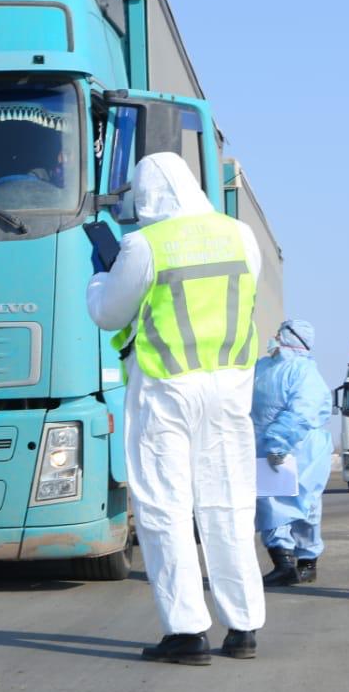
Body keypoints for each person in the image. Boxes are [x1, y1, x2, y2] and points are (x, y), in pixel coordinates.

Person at [87, 151, 266, 665]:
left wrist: (101, 274)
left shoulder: (145, 244)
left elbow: (108, 313)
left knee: (166, 509)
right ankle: (244, 626)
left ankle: (187, 633)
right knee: (229, 505)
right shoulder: (240, 235)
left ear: (146, 196)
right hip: (230, 387)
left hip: (166, 388)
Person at [252, 319, 334, 587]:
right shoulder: (262, 367)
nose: (274, 336)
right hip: (270, 447)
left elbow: (304, 410)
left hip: (299, 448)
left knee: (304, 505)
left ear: (291, 336)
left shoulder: (304, 372)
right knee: (271, 504)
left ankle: (306, 563)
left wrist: (278, 439)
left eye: (280, 332)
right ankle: (284, 563)